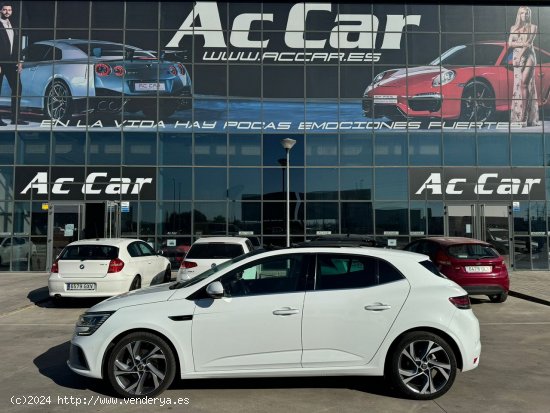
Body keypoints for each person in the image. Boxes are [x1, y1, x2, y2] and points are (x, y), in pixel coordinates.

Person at [508, 6, 539, 127]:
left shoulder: (533, 27)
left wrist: (520, 55)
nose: (524, 16)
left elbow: (528, 44)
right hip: (516, 58)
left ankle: (524, 117)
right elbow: (510, 43)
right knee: (518, 86)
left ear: (529, 15)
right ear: (519, 15)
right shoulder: (513, 28)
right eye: (522, 13)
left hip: (528, 57)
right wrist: (521, 44)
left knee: (525, 84)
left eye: (527, 14)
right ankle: (518, 114)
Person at [0, 2, 27, 125]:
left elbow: (17, 45)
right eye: (4, 10)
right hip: (1, 62)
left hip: (12, 63)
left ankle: (15, 118)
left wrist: (20, 61)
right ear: (0, 11)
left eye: (9, 10)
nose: (7, 12)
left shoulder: (13, 25)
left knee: (17, 88)